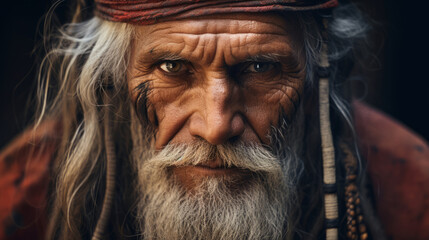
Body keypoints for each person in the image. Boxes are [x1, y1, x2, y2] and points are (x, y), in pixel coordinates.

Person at [0, 0, 428, 239]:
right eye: (171, 67)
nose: (216, 125)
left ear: (320, 69)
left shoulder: (411, 195)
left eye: (261, 69)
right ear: (112, 73)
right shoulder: (22, 199)